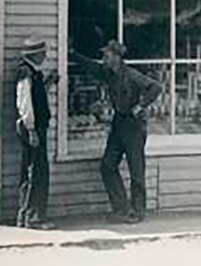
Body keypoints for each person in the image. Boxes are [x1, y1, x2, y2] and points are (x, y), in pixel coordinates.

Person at [69, 39, 161, 223]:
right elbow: (92, 66)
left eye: (107, 55)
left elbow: (156, 87)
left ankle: (138, 211)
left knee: (136, 170)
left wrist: (140, 106)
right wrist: (72, 55)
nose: (104, 58)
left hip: (134, 126)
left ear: (116, 57)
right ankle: (122, 208)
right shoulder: (108, 73)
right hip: (119, 124)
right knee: (108, 166)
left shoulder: (131, 74)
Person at [15, 37, 57, 230]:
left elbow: (35, 96)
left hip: (33, 127)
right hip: (32, 128)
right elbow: (25, 103)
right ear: (36, 54)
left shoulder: (33, 73)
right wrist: (31, 130)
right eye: (43, 53)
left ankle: (25, 216)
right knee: (37, 172)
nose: (46, 56)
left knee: (31, 170)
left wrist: (47, 83)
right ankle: (33, 218)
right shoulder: (26, 73)